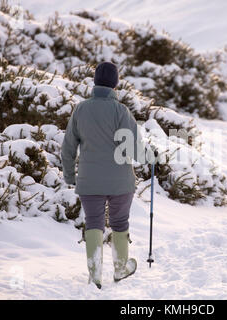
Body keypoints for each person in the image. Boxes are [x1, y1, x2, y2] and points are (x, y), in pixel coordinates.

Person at [61, 62, 147, 289]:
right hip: (120, 181)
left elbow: (68, 146)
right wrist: (150, 156)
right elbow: (133, 148)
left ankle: (95, 275)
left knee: (94, 224)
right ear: (115, 84)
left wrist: (70, 176)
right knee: (120, 223)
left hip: (89, 181)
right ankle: (120, 269)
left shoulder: (81, 109)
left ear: (95, 82)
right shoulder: (121, 111)